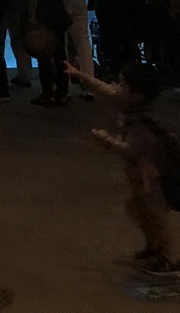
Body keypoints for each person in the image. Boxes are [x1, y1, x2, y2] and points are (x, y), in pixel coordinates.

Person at [66, 59, 180, 277]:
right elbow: (107, 91)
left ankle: (167, 257)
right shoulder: (132, 106)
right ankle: (153, 247)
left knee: (154, 216)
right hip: (139, 176)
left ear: (136, 94)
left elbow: (131, 152)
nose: (116, 88)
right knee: (140, 211)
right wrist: (81, 76)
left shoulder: (141, 124)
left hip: (150, 179)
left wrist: (106, 140)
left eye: (122, 84)